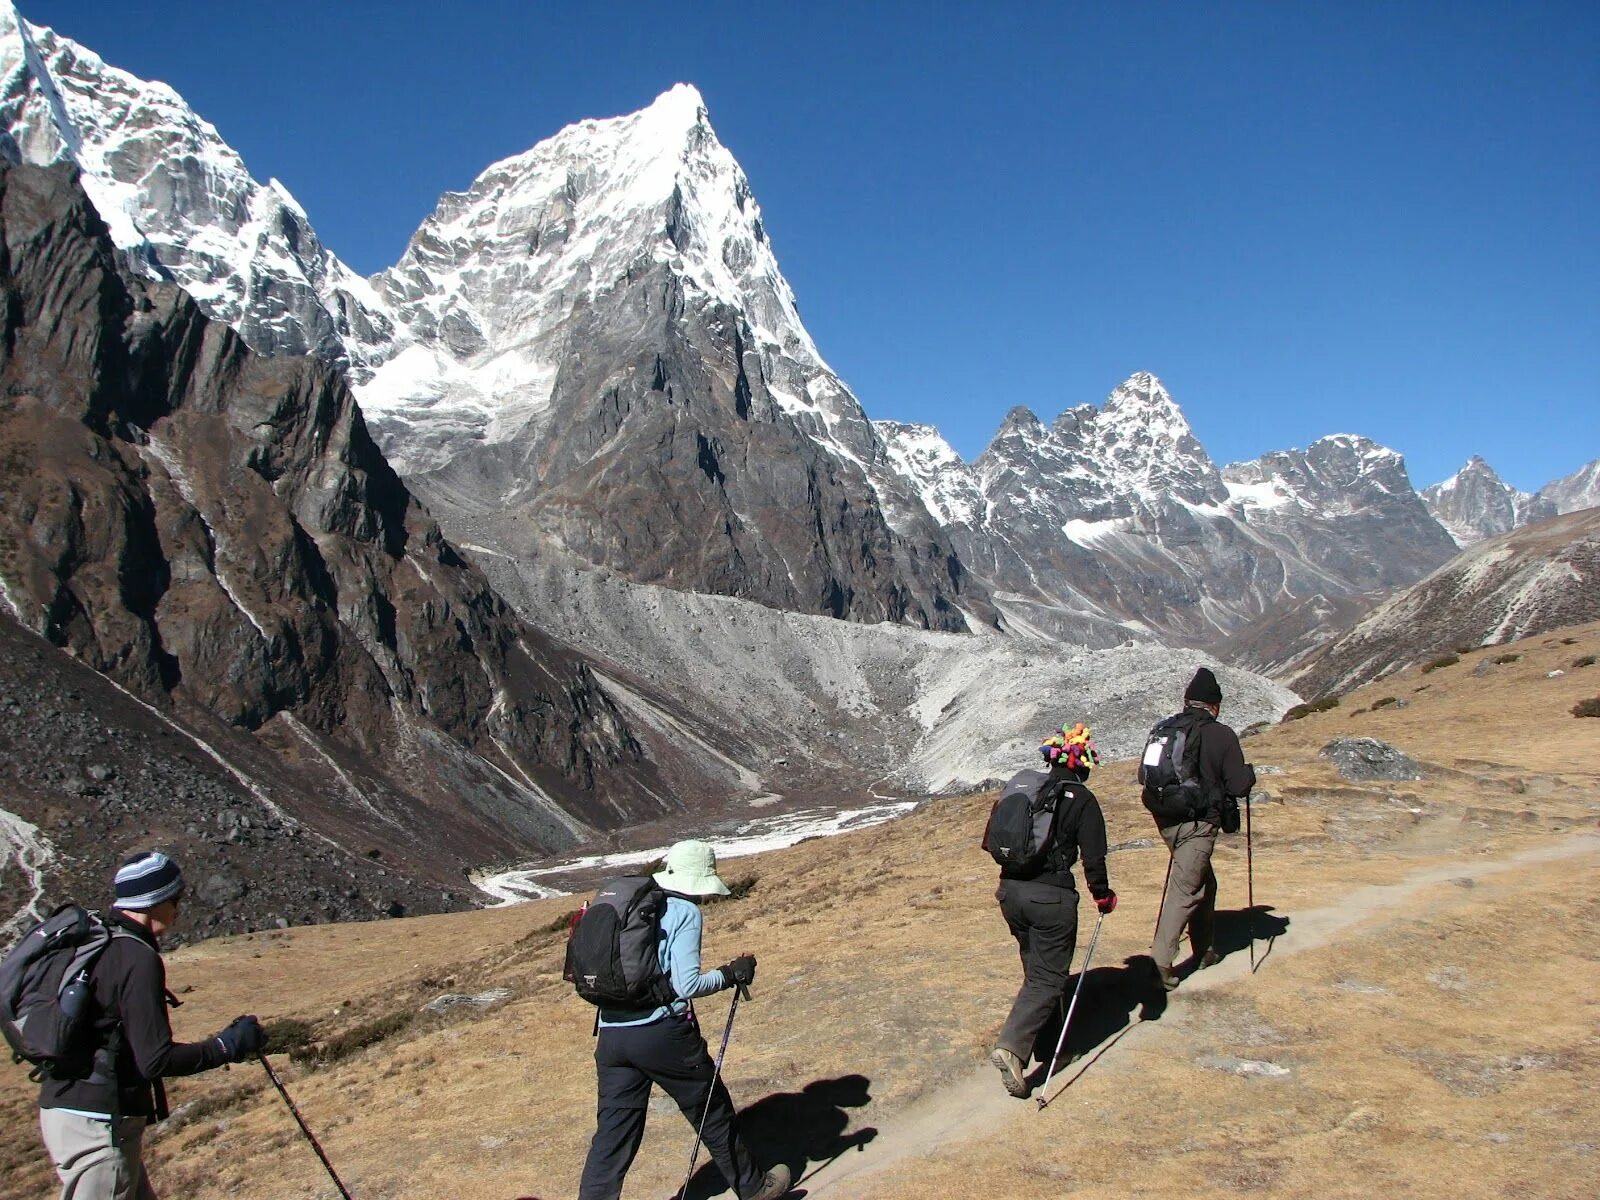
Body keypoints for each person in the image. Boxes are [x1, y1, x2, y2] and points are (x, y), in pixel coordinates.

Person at [36, 851, 266, 1200]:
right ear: (154, 901)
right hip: (99, 1124)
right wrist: (227, 1046)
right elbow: (155, 1060)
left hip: (72, 1110)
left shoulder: (98, 941)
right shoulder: (136, 959)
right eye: (175, 898)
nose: (178, 909)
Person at [577, 840, 791, 1200]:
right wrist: (730, 975)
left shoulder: (626, 903)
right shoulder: (683, 911)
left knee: (613, 1134)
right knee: (711, 1109)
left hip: (612, 1034)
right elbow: (685, 984)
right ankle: (755, 1189)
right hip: (662, 1034)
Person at [989, 724, 1116, 1099]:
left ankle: (1044, 1044)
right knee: (1048, 978)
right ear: (1083, 762)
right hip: (1051, 898)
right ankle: (1012, 1047)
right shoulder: (1081, 799)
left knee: (1035, 969)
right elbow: (1094, 857)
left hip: (1011, 893)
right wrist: (1102, 895)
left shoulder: (1032, 790)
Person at [1148, 667, 1256, 991]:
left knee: (1204, 881)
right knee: (1186, 890)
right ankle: (1160, 964)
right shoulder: (1222, 735)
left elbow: (1146, 777)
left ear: (1186, 701)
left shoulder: (1164, 730)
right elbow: (1238, 786)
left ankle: (1204, 949)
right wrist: (1249, 775)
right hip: (1198, 824)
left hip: (1165, 819)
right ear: (1215, 705)